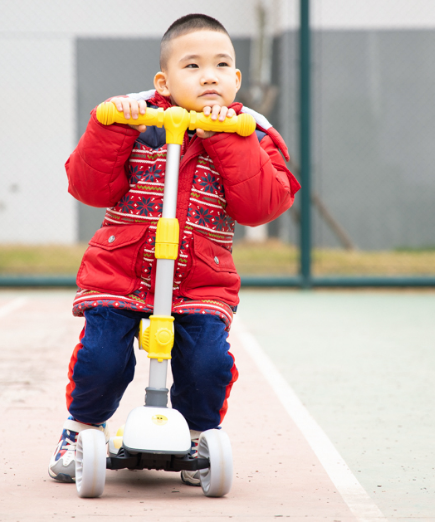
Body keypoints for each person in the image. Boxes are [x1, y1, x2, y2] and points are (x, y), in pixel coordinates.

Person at [48, 13, 300, 486]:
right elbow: (88, 187)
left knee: (208, 363)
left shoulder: (251, 132)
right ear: (163, 80)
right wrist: (111, 128)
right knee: (101, 358)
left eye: (222, 64)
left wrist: (230, 139)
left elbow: (262, 204)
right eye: (193, 66)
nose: (209, 75)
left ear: (236, 78)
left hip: (200, 281)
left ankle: (202, 433)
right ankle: (81, 427)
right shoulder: (137, 120)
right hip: (122, 272)